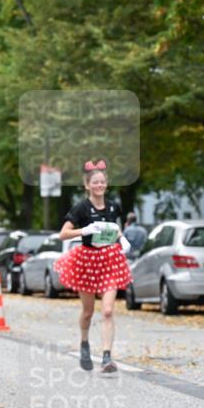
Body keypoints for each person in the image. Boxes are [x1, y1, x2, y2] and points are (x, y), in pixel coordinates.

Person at [54, 159, 133, 374]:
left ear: (106, 184)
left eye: (102, 182)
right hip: (87, 261)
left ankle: (107, 356)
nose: (99, 186)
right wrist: (84, 230)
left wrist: (121, 239)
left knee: (107, 311)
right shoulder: (81, 208)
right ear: (87, 185)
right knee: (88, 312)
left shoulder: (114, 206)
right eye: (95, 182)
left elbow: (113, 227)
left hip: (109, 260)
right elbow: (63, 234)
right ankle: (84, 343)